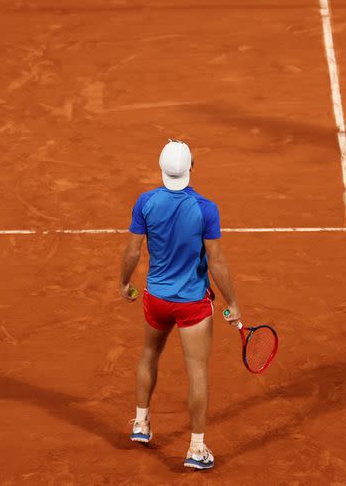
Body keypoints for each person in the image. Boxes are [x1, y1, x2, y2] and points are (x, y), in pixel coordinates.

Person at [119, 139, 243, 470]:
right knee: (197, 372)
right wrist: (232, 302)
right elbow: (216, 262)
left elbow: (133, 251)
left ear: (162, 170)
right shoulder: (205, 208)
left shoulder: (145, 202)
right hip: (192, 305)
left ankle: (140, 423)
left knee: (149, 354)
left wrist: (124, 283)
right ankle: (196, 449)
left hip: (156, 299)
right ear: (192, 167)